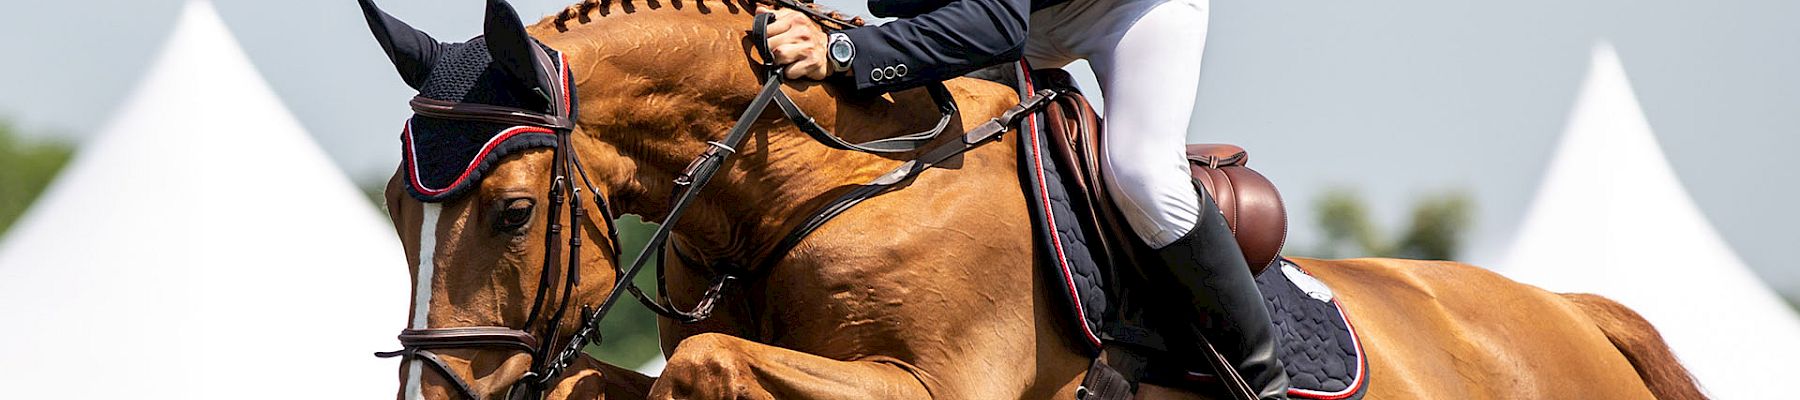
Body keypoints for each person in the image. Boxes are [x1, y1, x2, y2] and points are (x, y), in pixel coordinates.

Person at [757, 0, 1290, 397]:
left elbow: (996, 25)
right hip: (1014, 11)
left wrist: (845, 52)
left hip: (1127, 10)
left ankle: (1262, 378)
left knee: (1143, 175)